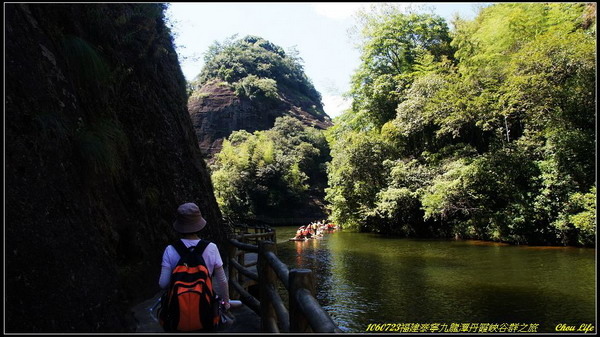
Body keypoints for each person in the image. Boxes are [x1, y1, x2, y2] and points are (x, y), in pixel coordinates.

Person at [159, 202, 230, 311]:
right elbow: (222, 281)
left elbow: (163, 283)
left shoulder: (170, 250)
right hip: (205, 306)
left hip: (178, 309)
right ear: (199, 224)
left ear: (179, 225)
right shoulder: (212, 248)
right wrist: (226, 303)